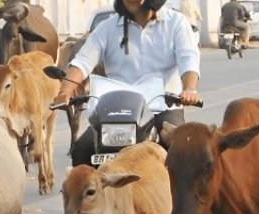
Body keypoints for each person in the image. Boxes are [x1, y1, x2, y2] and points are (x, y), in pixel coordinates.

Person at [53, 0, 201, 167]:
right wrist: (65, 91)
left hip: (163, 108)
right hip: (116, 110)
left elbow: (188, 60)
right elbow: (82, 62)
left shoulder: (176, 23)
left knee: (182, 152)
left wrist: (189, 89)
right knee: (82, 150)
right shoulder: (107, 27)